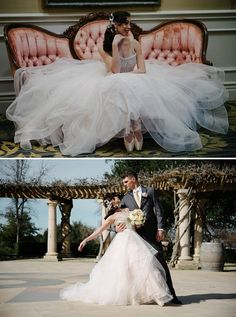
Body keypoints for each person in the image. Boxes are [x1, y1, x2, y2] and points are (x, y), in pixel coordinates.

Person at [6, 11, 229, 155]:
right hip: (111, 76)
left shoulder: (136, 44)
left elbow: (142, 69)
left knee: (132, 84)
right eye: (125, 25)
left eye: (130, 24)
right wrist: (118, 48)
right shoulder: (113, 43)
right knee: (118, 85)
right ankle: (130, 127)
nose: (128, 27)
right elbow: (113, 71)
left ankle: (134, 126)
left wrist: (131, 66)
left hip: (133, 76)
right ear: (116, 27)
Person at [59, 194, 173, 306]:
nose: (119, 199)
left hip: (135, 241)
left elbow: (138, 226)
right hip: (122, 242)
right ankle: (132, 297)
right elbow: (99, 230)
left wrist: (138, 222)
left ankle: (157, 295)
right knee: (124, 269)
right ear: (113, 201)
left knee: (143, 266)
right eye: (116, 198)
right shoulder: (112, 217)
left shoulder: (130, 210)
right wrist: (86, 240)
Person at [119, 170, 182, 305]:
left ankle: (172, 294)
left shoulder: (150, 191)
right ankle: (140, 296)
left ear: (133, 179)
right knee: (137, 267)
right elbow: (120, 218)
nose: (124, 185)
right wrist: (117, 227)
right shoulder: (125, 198)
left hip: (152, 234)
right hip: (135, 237)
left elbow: (159, 210)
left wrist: (160, 228)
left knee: (161, 263)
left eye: (125, 181)